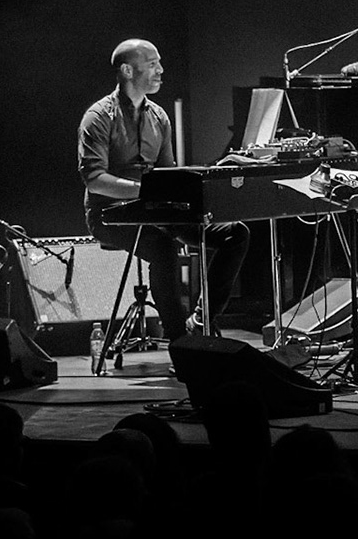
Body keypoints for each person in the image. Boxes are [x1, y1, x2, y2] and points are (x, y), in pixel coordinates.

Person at [79, 38, 249, 340]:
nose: (161, 70)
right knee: (163, 246)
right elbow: (94, 179)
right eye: (153, 64)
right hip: (110, 215)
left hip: (156, 208)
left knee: (236, 233)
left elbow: (167, 174)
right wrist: (146, 191)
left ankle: (201, 322)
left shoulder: (159, 116)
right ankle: (179, 341)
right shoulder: (98, 117)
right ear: (128, 70)